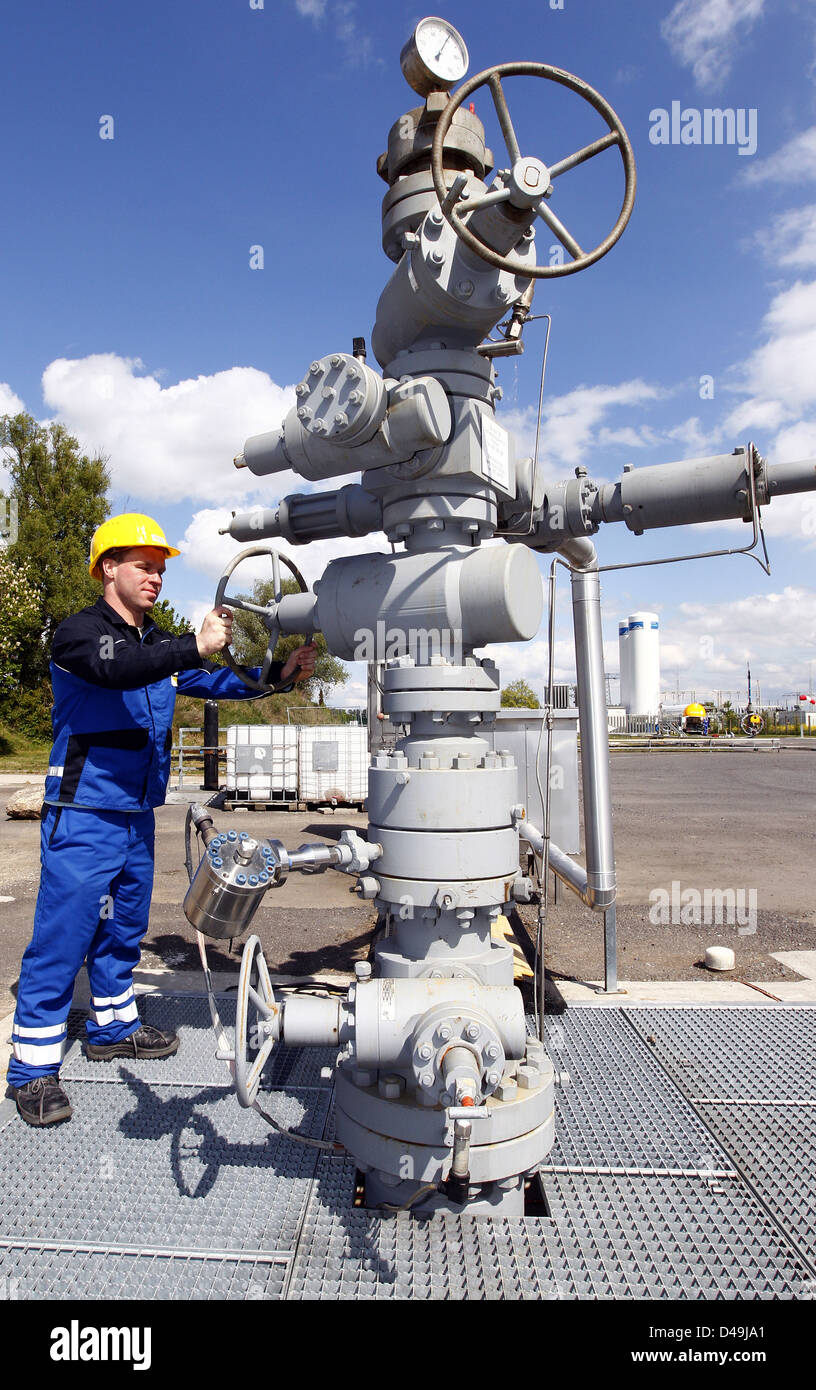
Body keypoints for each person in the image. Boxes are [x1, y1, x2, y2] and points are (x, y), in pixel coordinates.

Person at [7, 513, 317, 1127]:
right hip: (84, 814)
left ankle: (113, 1026)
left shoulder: (155, 644)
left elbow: (215, 678)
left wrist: (279, 676)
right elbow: (116, 668)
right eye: (143, 566)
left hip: (133, 816)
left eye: (161, 568)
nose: (155, 577)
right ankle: (32, 1071)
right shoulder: (78, 635)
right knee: (61, 937)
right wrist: (189, 646)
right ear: (108, 570)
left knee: (125, 928)